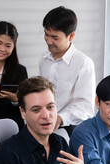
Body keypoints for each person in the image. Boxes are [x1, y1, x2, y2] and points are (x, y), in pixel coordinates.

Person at [39, 6, 96, 136]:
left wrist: (59, 119)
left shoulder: (83, 63)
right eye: (46, 34)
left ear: (71, 36)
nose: (48, 41)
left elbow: (85, 108)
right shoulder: (43, 59)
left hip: (70, 127)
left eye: (54, 37)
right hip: (45, 123)